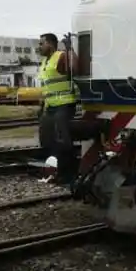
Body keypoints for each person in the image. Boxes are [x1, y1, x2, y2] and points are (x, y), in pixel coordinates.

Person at [37, 32, 78, 188]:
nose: (39, 47)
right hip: (51, 106)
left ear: (51, 44)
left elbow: (74, 68)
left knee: (63, 140)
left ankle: (69, 174)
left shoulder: (60, 56)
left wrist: (69, 49)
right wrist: (41, 106)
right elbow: (46, 86)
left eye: (42, 43)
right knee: (47, 138)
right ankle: (56, 171)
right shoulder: (45, 62)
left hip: (65, 104)